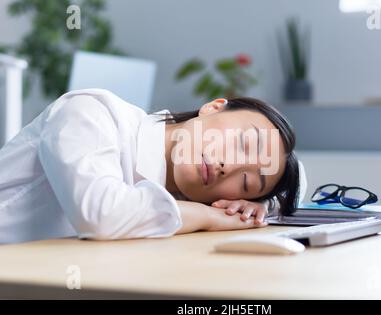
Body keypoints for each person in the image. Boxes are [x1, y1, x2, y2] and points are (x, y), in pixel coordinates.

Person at [0, 89, 301, 243]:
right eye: (243, 143)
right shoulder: (94, 113)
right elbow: (101, 216)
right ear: (212, 107)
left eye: (246, 182)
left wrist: (261, 205)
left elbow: (297, 187)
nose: (229, 166)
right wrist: (208, 216)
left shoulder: (181, 192)